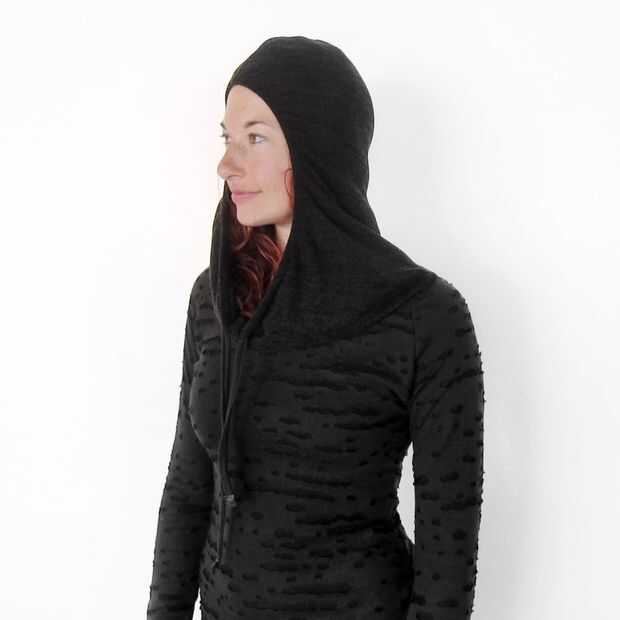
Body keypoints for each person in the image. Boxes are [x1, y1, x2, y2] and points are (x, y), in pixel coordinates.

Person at [146, 36, 484, 620]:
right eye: (228, 139)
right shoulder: (217, 297)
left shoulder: (425, 316)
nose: (227, 165)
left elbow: (447, 560)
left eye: (255, 138)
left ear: (318, 148)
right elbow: (187, 489)